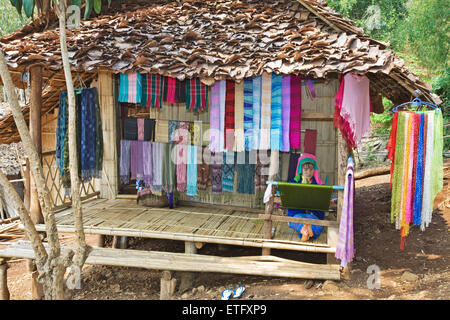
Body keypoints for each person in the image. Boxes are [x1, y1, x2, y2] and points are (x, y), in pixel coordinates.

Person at [287, 153, 325, 242]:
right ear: (301, 169)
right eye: (306, 169)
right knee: (293, 220)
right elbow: (289, 199)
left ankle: (304, 231)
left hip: (313, 215)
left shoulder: (320, 185)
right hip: (298, 214)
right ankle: (307, 230)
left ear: (314, 170)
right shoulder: (293, 183)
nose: (308, 172)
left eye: (311, 170)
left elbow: (323, 201)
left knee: (319, 225)